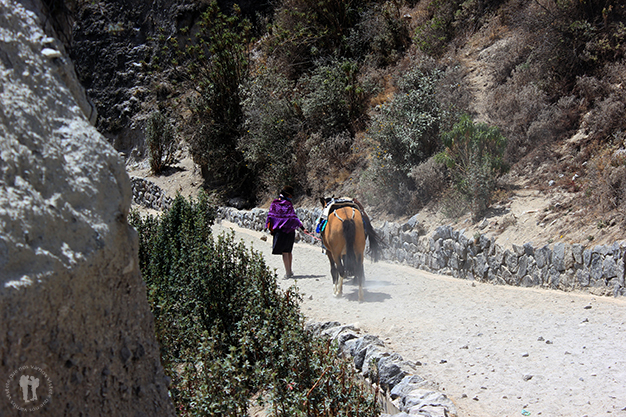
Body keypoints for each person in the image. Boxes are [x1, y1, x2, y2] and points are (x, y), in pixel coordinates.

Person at [266, 186, 308, 278]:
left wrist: (271, 229)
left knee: (285, 252)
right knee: (288, 251)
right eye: (290, 195)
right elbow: (294, 218)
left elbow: (270, 217)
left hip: (280, 231)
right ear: (287, 195)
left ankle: (288, 272)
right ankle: (289, 271)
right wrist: (302, 228)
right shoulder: (288, 204)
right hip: (289, 231)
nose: (291, 197)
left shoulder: (274, 204)